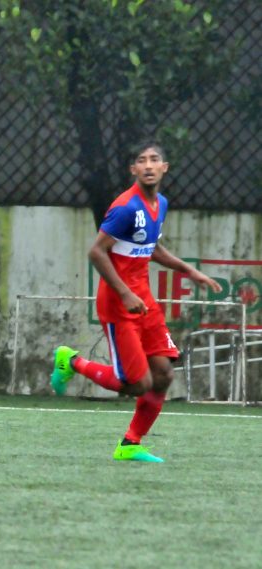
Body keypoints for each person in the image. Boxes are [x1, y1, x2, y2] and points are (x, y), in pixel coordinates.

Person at [50, 140, 222, 462]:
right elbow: (97, 252)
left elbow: (152, 249)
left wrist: (189, 271)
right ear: (133, 170)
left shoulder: (161, 204)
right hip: (119, 304)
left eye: (154, 159)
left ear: (164, 167)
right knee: (139, 384)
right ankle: (71, 361)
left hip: (144, 301)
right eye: (141, 160)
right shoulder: (126, 207)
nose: (148, 165)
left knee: (164, 376)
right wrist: (125, 293)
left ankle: (130, 444)